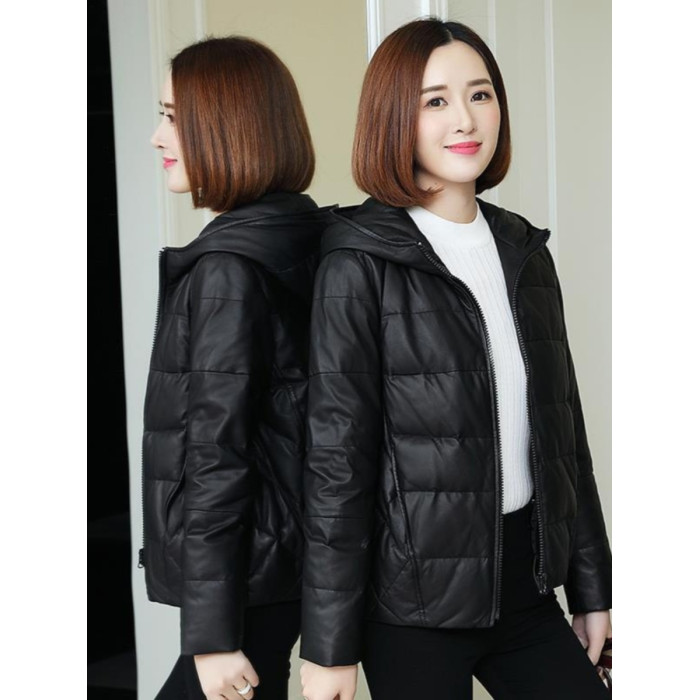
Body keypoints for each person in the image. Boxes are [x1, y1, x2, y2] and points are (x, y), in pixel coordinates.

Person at [299, 18, 612, 700]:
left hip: (526, 587)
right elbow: (336, 467)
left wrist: (593, 590)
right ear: (393, 118)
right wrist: (328, 647)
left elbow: (566, 435)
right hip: (411, 610)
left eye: (480, 94)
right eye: (435, 100)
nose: (465, 119)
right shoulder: (359, 262)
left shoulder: (524, 252)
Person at [140, 36, 328, 700]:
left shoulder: (228, 268)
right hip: (281, 567)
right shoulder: (299, 238)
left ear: (225, 127)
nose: (158, 136)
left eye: (173, 116)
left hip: (245, 583)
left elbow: (217, 456)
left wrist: (213, 635)